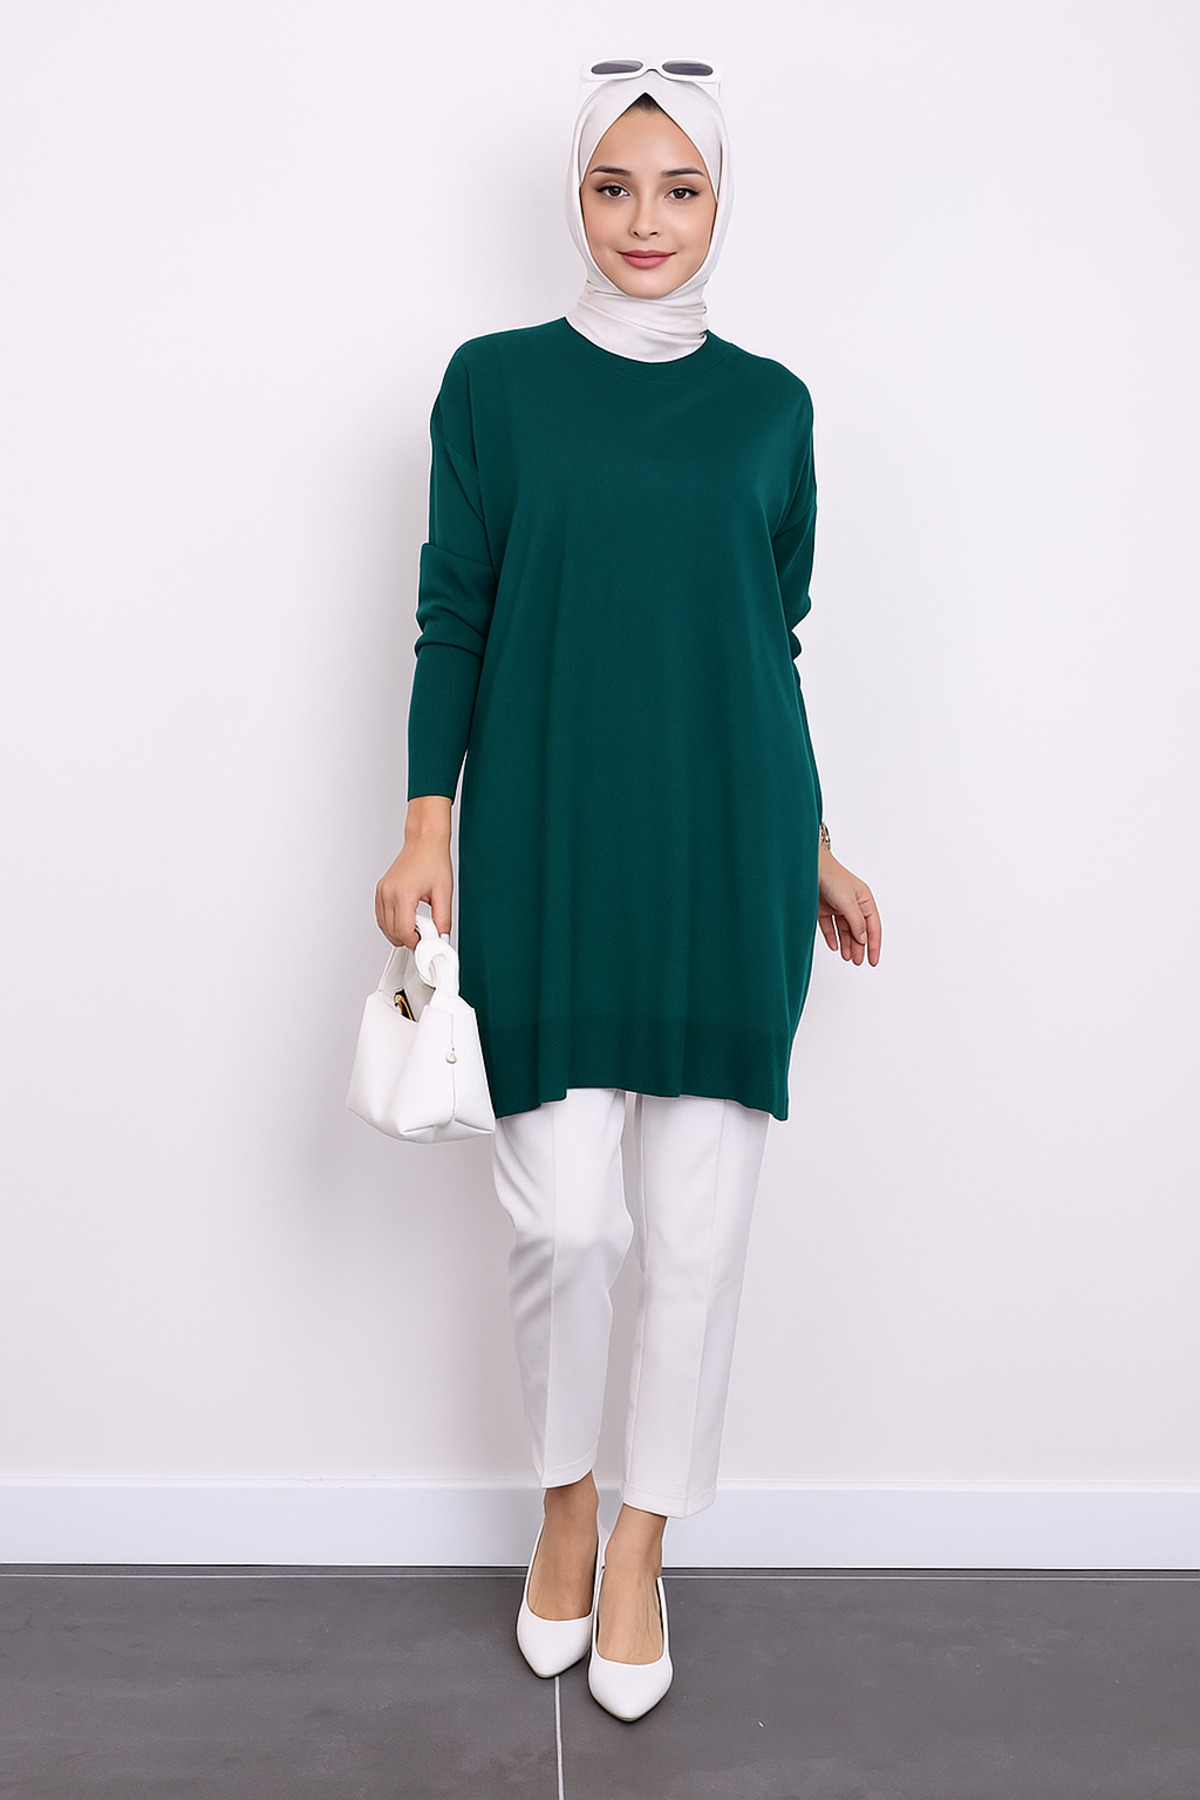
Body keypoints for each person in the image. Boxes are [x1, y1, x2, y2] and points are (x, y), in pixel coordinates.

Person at [375, 57, 882, 1722]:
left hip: (731, 852)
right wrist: (427, 827)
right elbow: (455, 614)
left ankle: (646, 1544)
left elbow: (763, 642)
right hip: (547, 851)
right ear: (576, 198)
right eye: (614, 186)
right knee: (566, 1221)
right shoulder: (494, 388)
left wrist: (814, 846)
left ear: (721, 202)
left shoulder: (772, 408)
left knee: (696, 1239)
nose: (645, 221)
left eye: (679, 188)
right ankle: (567, 1507)